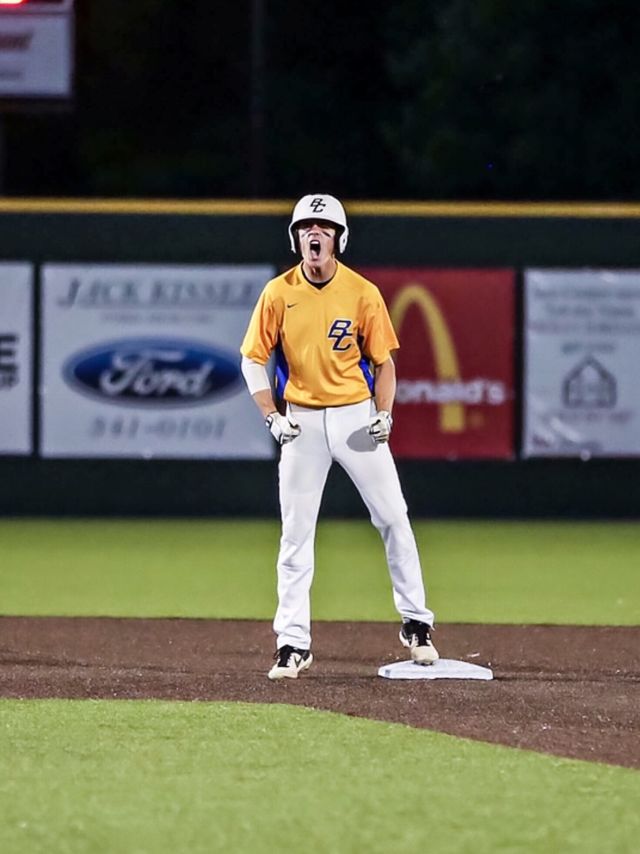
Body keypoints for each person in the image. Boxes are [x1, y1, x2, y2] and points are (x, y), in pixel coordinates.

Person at [240, 193, 438, 680]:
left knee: (393, 517)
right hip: (302, 421)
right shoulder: (278, 293)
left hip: (355, 417)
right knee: (295, 535)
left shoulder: (362, 292)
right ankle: (292, 643)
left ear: (339, 239)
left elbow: (384, 363)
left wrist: (384, 413)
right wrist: (271, 415)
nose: (314, 234)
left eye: (324, 228)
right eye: (305, 228)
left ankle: (417, 623)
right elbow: (251, 360)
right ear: (295, 238)